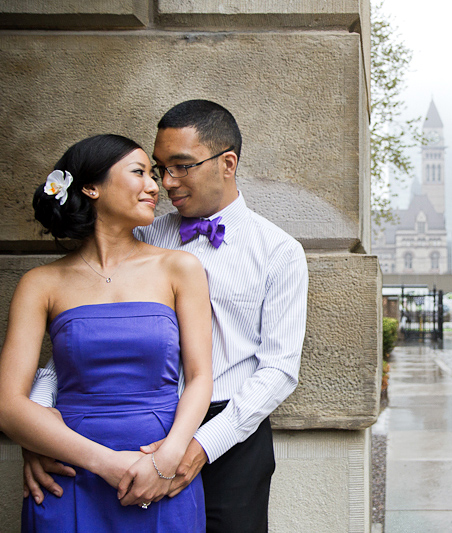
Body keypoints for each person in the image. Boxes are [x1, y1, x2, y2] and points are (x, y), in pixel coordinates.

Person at [26, 100, 309, 532]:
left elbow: (279, 369)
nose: (166, 183)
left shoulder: (279, 251)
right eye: (159, 168)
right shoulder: (139, 233)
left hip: (230, 435)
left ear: (227, 163)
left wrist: (198, 445)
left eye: (181, 166)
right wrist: (39, 424)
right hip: (137, 429)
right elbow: (85, 337)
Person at [0, 134, 213, 531]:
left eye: (154, 175)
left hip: (160, 464)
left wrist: (167, 458)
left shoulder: (180, 268)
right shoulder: (40, 283)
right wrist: (103, 461)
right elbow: (8, 404)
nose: (155, 186)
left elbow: (201, 378)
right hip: (68, 470)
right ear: (91, 187)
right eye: (140, 173)